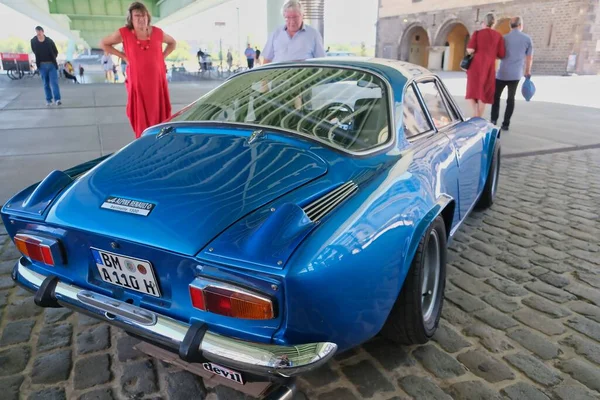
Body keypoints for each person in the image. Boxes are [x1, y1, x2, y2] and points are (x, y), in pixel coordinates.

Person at [100, 1, 176, 138]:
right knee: (140, 111)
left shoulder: (157, 32)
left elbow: (172, 43)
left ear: (148, 17)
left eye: (143, 15)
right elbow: (104, 43)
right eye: (137, 16)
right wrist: (123, 56)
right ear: (131, 18)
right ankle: (145, 138)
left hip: (157, 80)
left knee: (159, 109)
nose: (141, 18)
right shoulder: (124, 33)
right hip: (138, 80)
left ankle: (159, 136)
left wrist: (162, 57)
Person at [491, 16, 533, 131]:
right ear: (520, 25)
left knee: (496, 97)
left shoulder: (504, 38)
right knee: (511, 99)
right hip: (515, 74)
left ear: (510, 26)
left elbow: (497, 55)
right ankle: (505, 124)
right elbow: (529, 57)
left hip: (502, 73)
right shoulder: (527, 39)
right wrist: (527, 71)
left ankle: (493, 120)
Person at [465, 13, 505, 118]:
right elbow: (501, 54)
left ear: (484, 22)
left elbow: (470, 50)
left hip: (475, 66)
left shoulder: (477, 33)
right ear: (494, 23)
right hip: (489, 68)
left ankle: (476, 114)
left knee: (471, 92)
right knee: (484, 94)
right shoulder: (498, 36)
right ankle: (478, 118)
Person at [30, 26, 62, 106]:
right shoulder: (34, 41)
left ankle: (57, 99)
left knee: (54, 83)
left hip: (51, 65)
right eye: (37, 34)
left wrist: (52, 58)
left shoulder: (49, 41)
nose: (39, 35)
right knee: (46, 84)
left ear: (43, 32)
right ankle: (49, 100)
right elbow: (34, 50)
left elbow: (55, 51)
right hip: (42, 66)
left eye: (40, 33)